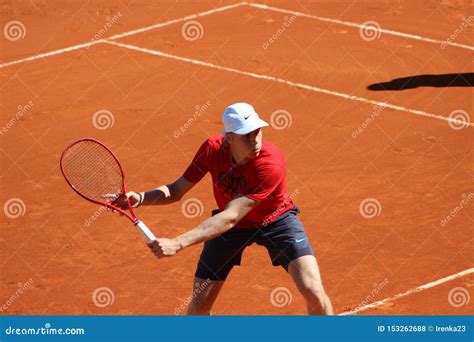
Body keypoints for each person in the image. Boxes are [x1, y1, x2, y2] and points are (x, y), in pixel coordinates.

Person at [114, 102, 333, 315]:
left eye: (257, 131)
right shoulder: (211, 150)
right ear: (229, 138)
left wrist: (177, 243)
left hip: (276, 221)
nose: (255, 139)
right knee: (199, 306)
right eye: (246, 135)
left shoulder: (270, 163)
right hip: (230, 229)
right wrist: (140, 198)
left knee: (313, 291)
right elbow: (176, 189)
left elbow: (230, 216)